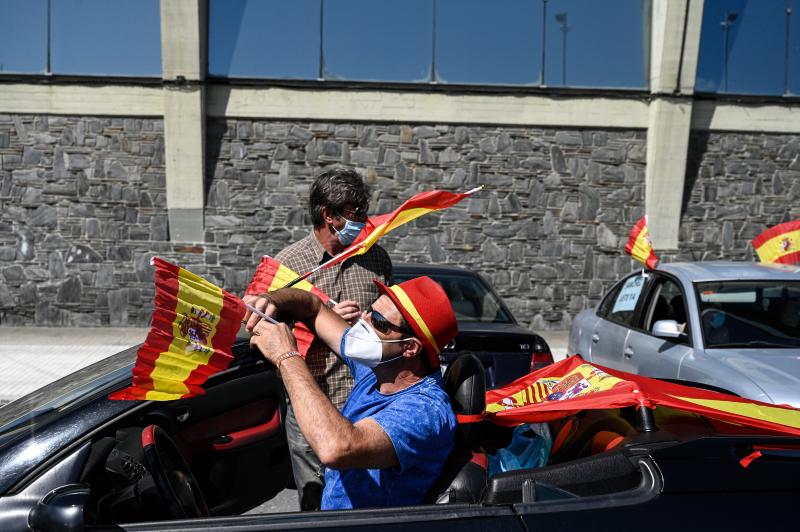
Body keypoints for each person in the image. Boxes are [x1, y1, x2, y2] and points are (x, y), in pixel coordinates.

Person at [244, 167, 392, 510]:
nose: (364, 221)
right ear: (329, 215)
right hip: (311, 402)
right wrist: (323, 319)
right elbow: (261, 330)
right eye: (356, 213)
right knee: (315, 503)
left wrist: (370, 320)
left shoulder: (376, 258)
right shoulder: (288, 266)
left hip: (366, 402)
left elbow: (391, 323)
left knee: (364, 500)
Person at [247, 276, 458, 510]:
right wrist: (271, 300)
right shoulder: (379, 369)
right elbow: (314, 308)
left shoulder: (424, 410)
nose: (364, 321)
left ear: (410, 347)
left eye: (379, 322)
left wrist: (286, 355)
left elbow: (335, 448)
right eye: (370, 310)